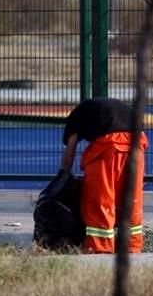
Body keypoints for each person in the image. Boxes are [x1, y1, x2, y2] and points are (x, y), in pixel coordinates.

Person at [60, 97, 148, 254]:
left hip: (108, 149)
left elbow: (70, 151)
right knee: (131, 200)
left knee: (100, 201)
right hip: (137, 147)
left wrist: (62, 176)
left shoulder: (76, 118)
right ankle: (132, 247)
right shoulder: (117, 109)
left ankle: (99, 248)